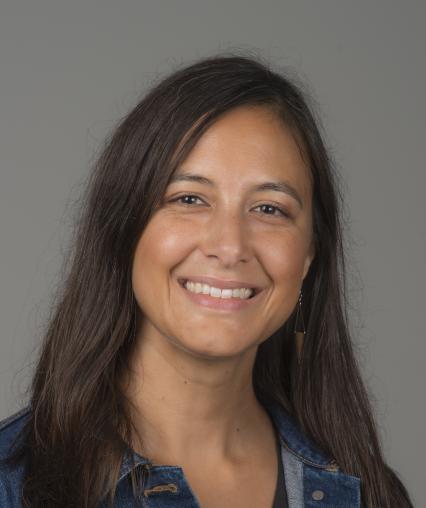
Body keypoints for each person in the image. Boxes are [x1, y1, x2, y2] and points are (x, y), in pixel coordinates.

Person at [0, 54, 414, 508]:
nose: (230, 245)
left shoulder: (367, 492)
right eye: (191, 198)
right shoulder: (13, 486)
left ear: (309, 254)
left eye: (270, 208)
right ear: (124, 228)